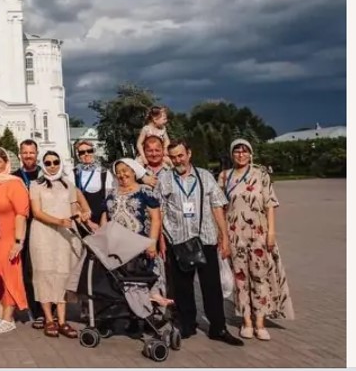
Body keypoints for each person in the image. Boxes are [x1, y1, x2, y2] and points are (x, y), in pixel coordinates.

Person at [158, 140, 243, 346]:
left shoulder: (205, 176)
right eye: (174, 157)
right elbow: (159, 211)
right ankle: (188, 324)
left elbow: (217, 207)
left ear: (189, 153)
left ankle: (218, 327)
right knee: (183, 287)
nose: (178, 160)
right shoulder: (165, 179)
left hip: (205, 238)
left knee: (211, 286)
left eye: (181, 155)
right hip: (177, 239)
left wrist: (224, 238)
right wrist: (161, 240)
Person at [217, 139, 294, 340]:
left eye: (244, 151)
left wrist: (271, 232)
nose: (241, 155)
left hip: (258, 233)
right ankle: (246, 321)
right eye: (237, 152)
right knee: (240, 279)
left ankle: (260, 321)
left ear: (251, 154)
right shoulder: (225, 177)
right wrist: (222, 237)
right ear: (232, 155)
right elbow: (220, 209)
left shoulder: (260, 175)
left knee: (260, 276)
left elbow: (269, 204)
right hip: (235, 235)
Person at [30, 150, 95, 338]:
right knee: (44, 273)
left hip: (66, 234)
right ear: (43, 164)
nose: (52, 166)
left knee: (63, 274)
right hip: (43, 233)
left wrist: (82, 215)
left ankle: (63, 320)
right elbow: (37, 212)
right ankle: (49, 319)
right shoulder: (36, 184)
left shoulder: (68, 184)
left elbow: (74, 208)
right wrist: (58, 221)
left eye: (55, 162)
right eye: (48, 162)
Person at [102, 158, 172, 309]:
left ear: (134, 172)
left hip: (140, 245)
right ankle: (131, 319)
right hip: (118, 248)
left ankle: (148, 315)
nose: (122, 175)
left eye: (125, 171)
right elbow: (105, 217)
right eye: (118, 172)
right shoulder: (111, 193)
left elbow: (155, 218)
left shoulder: (144, 191)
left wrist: (152, 243)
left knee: (144, 280)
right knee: (125, 284)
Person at [0, 146, 30, 335]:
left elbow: (21, 214)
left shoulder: (14, 184)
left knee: (10, 276)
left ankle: (9, 317)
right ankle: (0, 314)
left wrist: (18, 241)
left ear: (6, 164)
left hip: (9, 237)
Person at [12, 139, 43, 325]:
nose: (28, 156)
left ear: (37, 154)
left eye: (32, 152)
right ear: (20, 154)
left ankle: (50, 308)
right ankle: (34, 308)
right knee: (27, 270)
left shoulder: (45, 173)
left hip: (44, 226)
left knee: (44, 268)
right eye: (25, 153)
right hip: (24, 227)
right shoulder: (15, 177)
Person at [73, 140, 113, 225]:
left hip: (103, 221)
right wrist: (88, 223)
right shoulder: (73, 173)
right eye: (82, 152)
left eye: (89, 151)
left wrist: (103, 220)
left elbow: (109, 199)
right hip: (82, 220)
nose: (86, 154)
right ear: (78, 155)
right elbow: (73, 201)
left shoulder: (104, 172)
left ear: (94, 152)